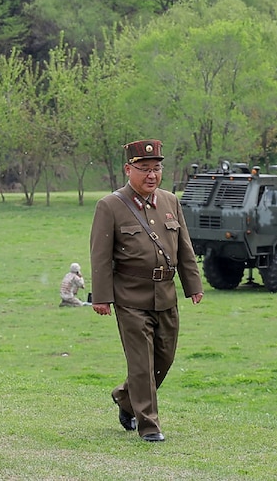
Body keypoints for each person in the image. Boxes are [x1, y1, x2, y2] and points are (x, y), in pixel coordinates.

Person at [90, 139, 203, 443]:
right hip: (130, 297)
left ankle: (125, 398)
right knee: (141, 363)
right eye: (143, 169)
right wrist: (101, 296)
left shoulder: (170, 202)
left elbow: (184, 249)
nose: (151, 175)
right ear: (128, 169)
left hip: (166, 294)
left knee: (163, 360)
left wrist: (193, 285)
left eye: (156, 169)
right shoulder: (110, 205)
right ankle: (149, 425)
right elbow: (100, 255)